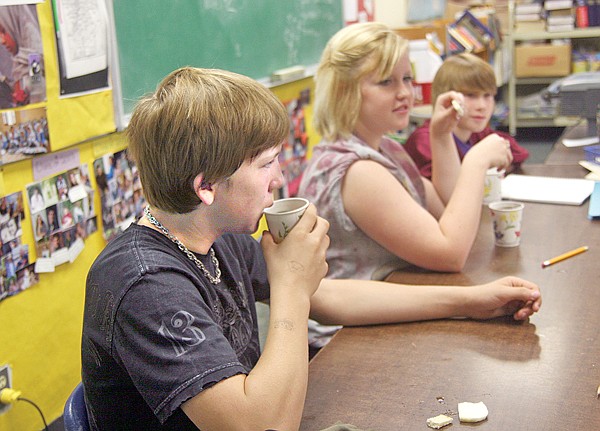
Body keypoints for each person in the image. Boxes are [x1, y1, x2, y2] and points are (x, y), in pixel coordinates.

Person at [81, 66, 541, 430]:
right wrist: (292, 286)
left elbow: (331, 296)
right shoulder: (147, 286)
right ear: (206, 187)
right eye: (266, 165)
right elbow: (264, 426)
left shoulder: (217, 234)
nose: (279, 180)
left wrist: (470, 302)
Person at [298, 22, 513, 278]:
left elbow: (451, 212)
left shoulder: (385, 148)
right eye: (386, 82)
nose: (405, 93)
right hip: (359, 317)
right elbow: (450, 253)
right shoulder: (357, 171)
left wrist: (441, 136)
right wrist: (476, 162)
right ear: (345, 92)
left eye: (407, 78)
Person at [404, 53, 529, 179]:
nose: (482, 106)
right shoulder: (425, 140)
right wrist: (480, 162)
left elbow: (516, 153)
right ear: (447, 97)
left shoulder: (475, 133)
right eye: (471, 95)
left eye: (487, 95)